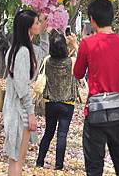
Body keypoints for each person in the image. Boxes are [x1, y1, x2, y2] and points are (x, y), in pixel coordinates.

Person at [73, 0, 119, 176]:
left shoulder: (87, 43)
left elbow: (77, 73)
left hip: (95, 112)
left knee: (94, 166)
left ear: (92, 19)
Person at [3, 10, 41, 176]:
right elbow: (22, 88)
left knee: (17, 158)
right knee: (18, 158)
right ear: (28, 27)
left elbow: (43, 52)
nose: (39, 25)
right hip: (19, 111)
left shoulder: (15, 50)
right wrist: (31, 113)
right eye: (37, 23)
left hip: (15, 109)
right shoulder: (22, 52)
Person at [36, 30, 79, 170]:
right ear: (64, 48)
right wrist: (74, 44)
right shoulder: (71, 62)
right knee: (62, 134)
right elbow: (82, 62)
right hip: (67, 104)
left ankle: (40, 161)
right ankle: (58, 165)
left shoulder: (47, 61)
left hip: (51, 103)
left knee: (48, 132)